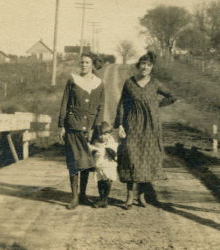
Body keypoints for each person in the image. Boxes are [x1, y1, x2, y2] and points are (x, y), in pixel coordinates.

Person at [114, 51, 177, 209]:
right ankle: (129, 196)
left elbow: (172, 96)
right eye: (143, 64)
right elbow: (122, 104)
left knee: (146, 159)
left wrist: (156, 106)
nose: (145, 67)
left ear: (152, 67)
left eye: (149, 65)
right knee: (130, 156)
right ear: (138, 65)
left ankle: (141, 196)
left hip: (151, 126)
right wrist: (120, 124)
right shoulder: (129, 83)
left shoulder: (155, 84)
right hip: (132, 124)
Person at [58, 52, 105, 210]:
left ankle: (83, 195)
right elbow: (65, 102)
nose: (84, 65)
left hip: (90, 128)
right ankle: (75, 197)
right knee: (74, 162)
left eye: (87, 62)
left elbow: (101, 108)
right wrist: (62, 125)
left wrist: (96, 128)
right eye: (82, 62)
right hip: (73, 125)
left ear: (92, 64)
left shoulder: (99, 83)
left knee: (86, 162)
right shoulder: (73, 80)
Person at [88, 121, 118, 208]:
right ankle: (101, 198)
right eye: (101, 134)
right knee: (100, 182)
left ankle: (105, 199)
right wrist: (92, 150)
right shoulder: (95, 143)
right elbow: (91, 149)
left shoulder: (111, 142)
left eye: (106, 134)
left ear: (109, 134)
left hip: (108, 166)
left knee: (107, 182)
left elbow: (114, 151)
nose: (103, 137)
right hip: (99, 167)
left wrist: (111, 151)